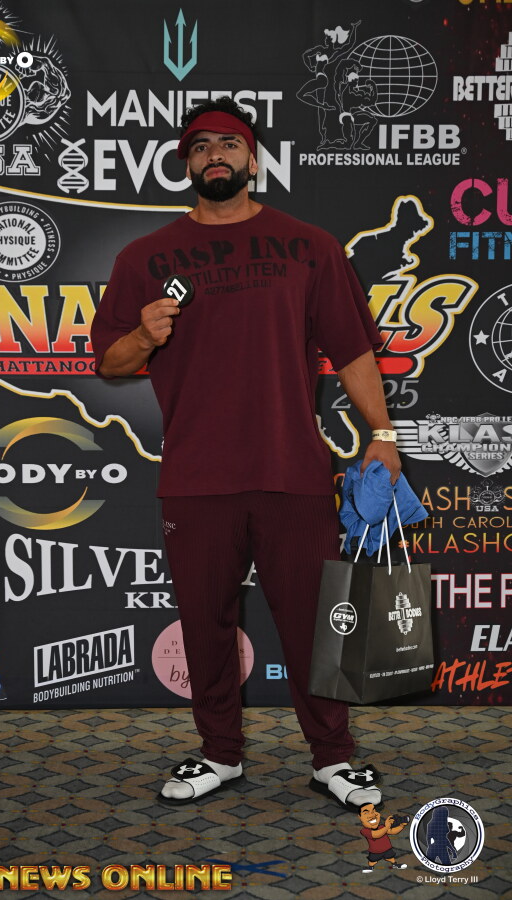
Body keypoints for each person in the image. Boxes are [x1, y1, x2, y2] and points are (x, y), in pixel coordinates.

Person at [90, 97, 400, 808]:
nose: (214, 156)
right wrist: (143, 334)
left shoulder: (310, 245)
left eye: (228, 145)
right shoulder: (145, 258)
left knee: (315, 621)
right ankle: (218, 753)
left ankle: (333, 757)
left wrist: (383, 436)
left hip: (293, 469)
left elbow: (352, 350)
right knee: (205, 624)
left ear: (253, 160)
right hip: (197, 475)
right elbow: (110, 361)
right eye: (200, 148)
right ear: (186, 165)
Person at [358, 804, 408, 872]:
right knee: (372, 861)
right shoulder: (365, 831)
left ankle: (395, 864)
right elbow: (376, 835)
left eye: (373, 811)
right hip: (375, 852)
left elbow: (392, 831)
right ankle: (370, 868)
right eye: (366, 813)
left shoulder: (382, 827)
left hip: (387, 849)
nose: (372, 815)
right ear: (360, 817)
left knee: (391, 858)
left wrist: (401, 826)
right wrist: (387, 827)